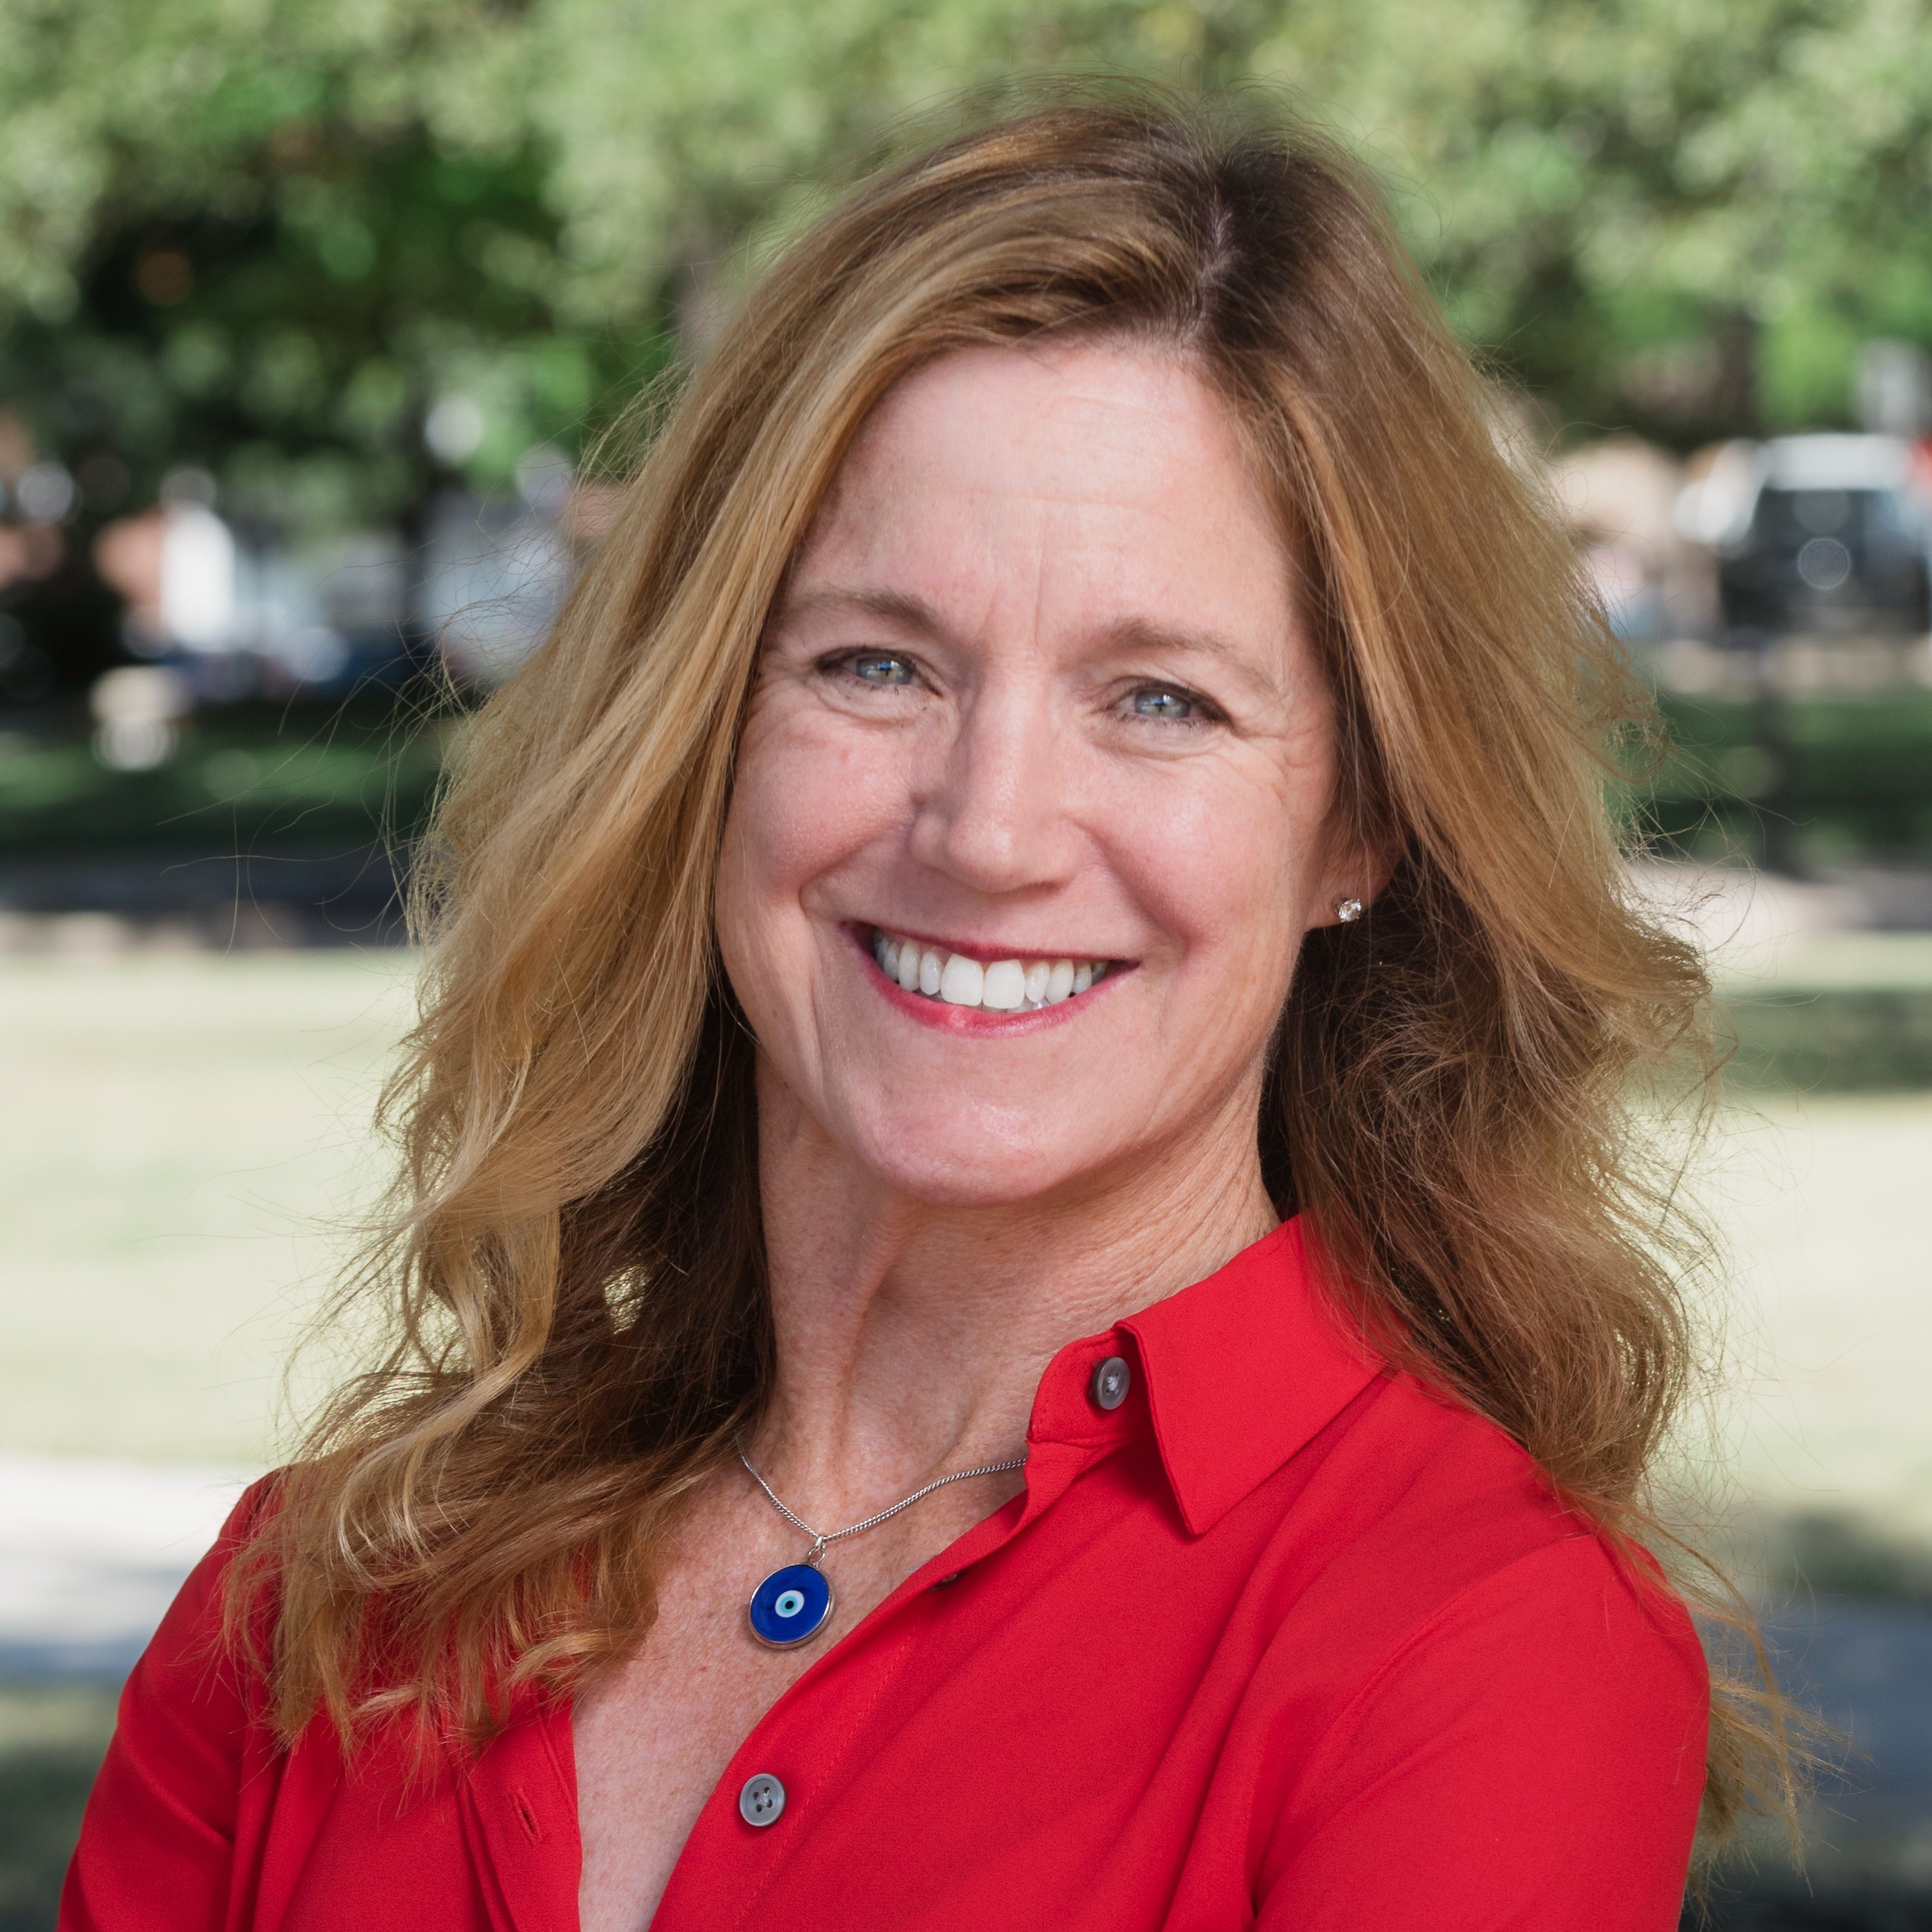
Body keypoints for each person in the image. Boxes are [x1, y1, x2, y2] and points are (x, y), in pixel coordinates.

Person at [63, 96, 1769, 1931]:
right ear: (704, 733)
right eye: (875, 663)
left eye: (1162, 698)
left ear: (1357, 816)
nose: (989, 829)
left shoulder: (1473, 1648)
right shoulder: (324, 1599)